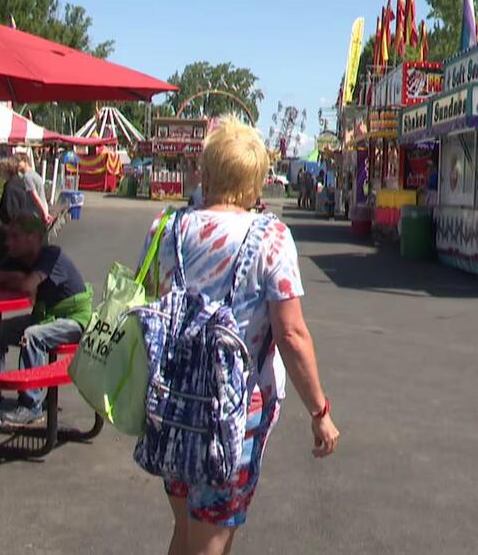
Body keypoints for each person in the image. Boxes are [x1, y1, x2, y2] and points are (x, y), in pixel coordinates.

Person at [139, 117, 338, 555]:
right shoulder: (270, 238)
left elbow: (154, 307)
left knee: (187, 528)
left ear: (205, 173)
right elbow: (291, 332)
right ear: (256, 182)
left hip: (172, 403)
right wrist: (319, 409)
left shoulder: (166, 229)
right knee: (209, 536)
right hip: (232, 414)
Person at [0, 213, 93, 425]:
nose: (8, 242)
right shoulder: (18, 259)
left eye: (15, 236)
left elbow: (27, 286)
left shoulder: (50, 255)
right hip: (46, 318)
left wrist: (18, 279)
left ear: (33, 238)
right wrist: (13, 276)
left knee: (32, 336)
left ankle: (32, 405)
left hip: (74, 321)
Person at [0, 156, 38, 266]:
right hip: (21, 225)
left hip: (9, 230)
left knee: (2, 257)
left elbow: (10, 211)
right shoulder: (20, 182)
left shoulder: (10, 186)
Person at [16, 151, 50, 224]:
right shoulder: (35, 174)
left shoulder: (27, 177)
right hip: (41, 210)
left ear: (25, 162)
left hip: (33, 213)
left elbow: (35, 197)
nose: (16, 165)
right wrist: (46, 212)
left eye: (18, 162)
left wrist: (44, 214)